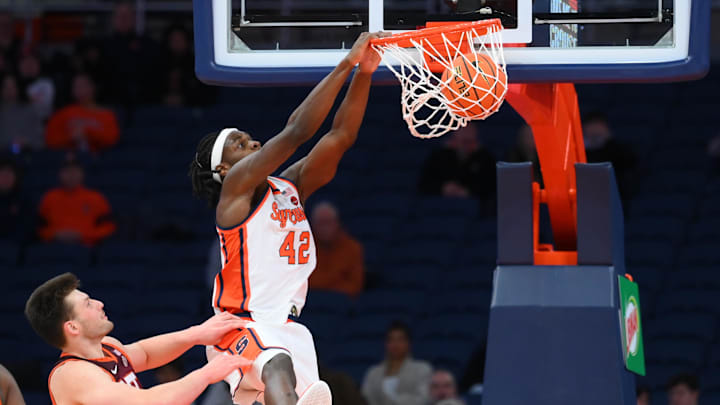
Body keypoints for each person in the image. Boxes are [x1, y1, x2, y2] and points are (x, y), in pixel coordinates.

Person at [188, 31, 389, 405]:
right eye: (240, 143)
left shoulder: (289, 185)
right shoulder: (234, 192)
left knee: (287, 380)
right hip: (240, 322)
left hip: (288, 326)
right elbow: (297, 131)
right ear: (224, 167)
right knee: (277, 367)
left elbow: (341, 135)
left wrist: (364, 74)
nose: (254, 144)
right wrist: (347, 62)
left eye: (250, 138)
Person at [24, 272, 249, 405]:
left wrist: (196, 334)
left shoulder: (108, 347)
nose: (99, 303)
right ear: (72, 327)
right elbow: (148, 403)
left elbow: (145, 353)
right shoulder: (72, 373)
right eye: (88, 304)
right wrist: (207, 374)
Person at [37, 159, 116, 246]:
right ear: (60, 174)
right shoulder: (49, 198)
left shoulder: (96, 198)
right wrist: (54, 234)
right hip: (54, 246)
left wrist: (84, 235)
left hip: (85, 248)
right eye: (67, 172)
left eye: (75, 171)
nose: (71, 175)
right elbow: (40, 227)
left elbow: (109, 226)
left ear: (82, 174)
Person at [417, 122, 496, 200]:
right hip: (440, 205)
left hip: (475, 206)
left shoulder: (486, 158)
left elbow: (491, 187)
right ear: (454, 140)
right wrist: (443, 188)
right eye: (462, 141)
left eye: (469, 141)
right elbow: (424, 184)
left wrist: (468, 191)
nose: (465, 146)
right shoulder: (439, 156)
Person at [361, 321, 433, 405]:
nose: (395, 344)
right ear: (386, 344)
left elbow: (423, 399)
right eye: (391, 340)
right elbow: (365, 399)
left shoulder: (422, 369)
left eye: (400, 339)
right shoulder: (373, 373)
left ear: (408, 343)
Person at [45, 73, 119, 153]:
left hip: (99, 158)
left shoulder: (106, 114)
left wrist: (87, 133)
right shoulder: (63, 113)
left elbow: (112, 139)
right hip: (69, 159)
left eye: (84, 86)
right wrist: (70, 137)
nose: (80, 90)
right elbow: (50, 141)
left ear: (93, 87)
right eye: (77, 87)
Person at [308, 202, 365, 297]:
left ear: (337, 223)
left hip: (341, 303)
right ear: (312, 225)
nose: (325, 228)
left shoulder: (352, 248)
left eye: (328, 222)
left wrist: (323, 286)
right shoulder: (303, 249)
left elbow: (356, 285)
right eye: (321, 223)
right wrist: (334, 282)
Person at [582, 111, 636, 199]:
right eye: (592, 124)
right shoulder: (580, 151)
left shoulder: (615, 149)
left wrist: (608, 140)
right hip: (588, 196)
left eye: (598, 124)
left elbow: (630, 162)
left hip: (615, 197)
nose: (595, 129)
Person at [0, 74, 45, 153]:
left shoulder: (29, 110)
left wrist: (26, 141)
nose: (9, 90)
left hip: (27, 155)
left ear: (18, 88)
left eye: (13, 86)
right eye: (5, 87)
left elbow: (39, 140)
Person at [0, 158, 32, 243]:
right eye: (2, 173)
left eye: (9, 173)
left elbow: (28, 228)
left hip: (16, 246)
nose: (5, 176)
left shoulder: (25, 198)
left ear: (16, 176)